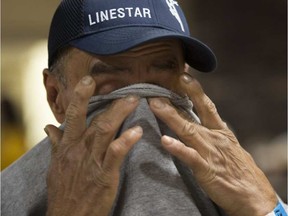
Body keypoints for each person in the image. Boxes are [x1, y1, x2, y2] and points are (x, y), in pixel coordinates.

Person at [1, 0, 287, 215]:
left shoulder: (241, 186)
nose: (141, 108)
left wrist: (268, 209)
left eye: (161, 83)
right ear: (55, 96)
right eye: (112, 85)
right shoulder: (10, 197)